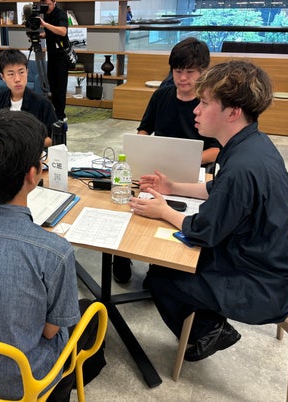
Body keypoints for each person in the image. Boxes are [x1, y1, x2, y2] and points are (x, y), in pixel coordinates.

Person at [128, 60, 288, 362]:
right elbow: (218, 188)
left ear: (233, 112)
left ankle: (209, 330)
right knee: (167, 264)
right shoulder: (252, 144)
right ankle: (206, 325)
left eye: (205, 103)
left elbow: (203, 231)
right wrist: (173, 187)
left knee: (162, 276)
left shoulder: (242, 167)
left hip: (261, 282)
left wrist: (163, 210)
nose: (196, 110)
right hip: (269, 258)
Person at [0, 109, 105, 401]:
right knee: (91, 312)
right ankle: (62, 388)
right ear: (33, 174)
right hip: (19, 382)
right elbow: (49, 332)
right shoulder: (55, 252)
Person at [113, 37, 220, 283]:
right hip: (156, 168)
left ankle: (161, 266)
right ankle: (122, 253)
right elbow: (144, 129)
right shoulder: (162, 96)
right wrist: (140, 149)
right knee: (129, 201)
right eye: (177, 71)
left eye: (190, 72)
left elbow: (217, 150)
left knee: (171, 214)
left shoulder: (209, 104)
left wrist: (190, 160)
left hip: (192, 174)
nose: (183, 78)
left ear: (203, 71)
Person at [0, 49, 57, 147]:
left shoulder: (43, 104)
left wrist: (23, 143)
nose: (17, 79)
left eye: (21, 72)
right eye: (11, 74)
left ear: (27, 72)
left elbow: (54, 138)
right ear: (3, 77)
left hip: (31, 153)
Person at [40, 0, 69, 120]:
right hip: (51, 54)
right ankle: (55, 112)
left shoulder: (60, 14)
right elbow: (51, 32)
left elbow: (63, 31)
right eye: (44, 4)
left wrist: (45, 24)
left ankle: (61, 115)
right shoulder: (46, 14)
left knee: (60, 87)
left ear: (54, 2)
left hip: (61, 55)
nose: (47, 7)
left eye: (49, 4)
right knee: (52, 85)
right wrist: (42, 35)